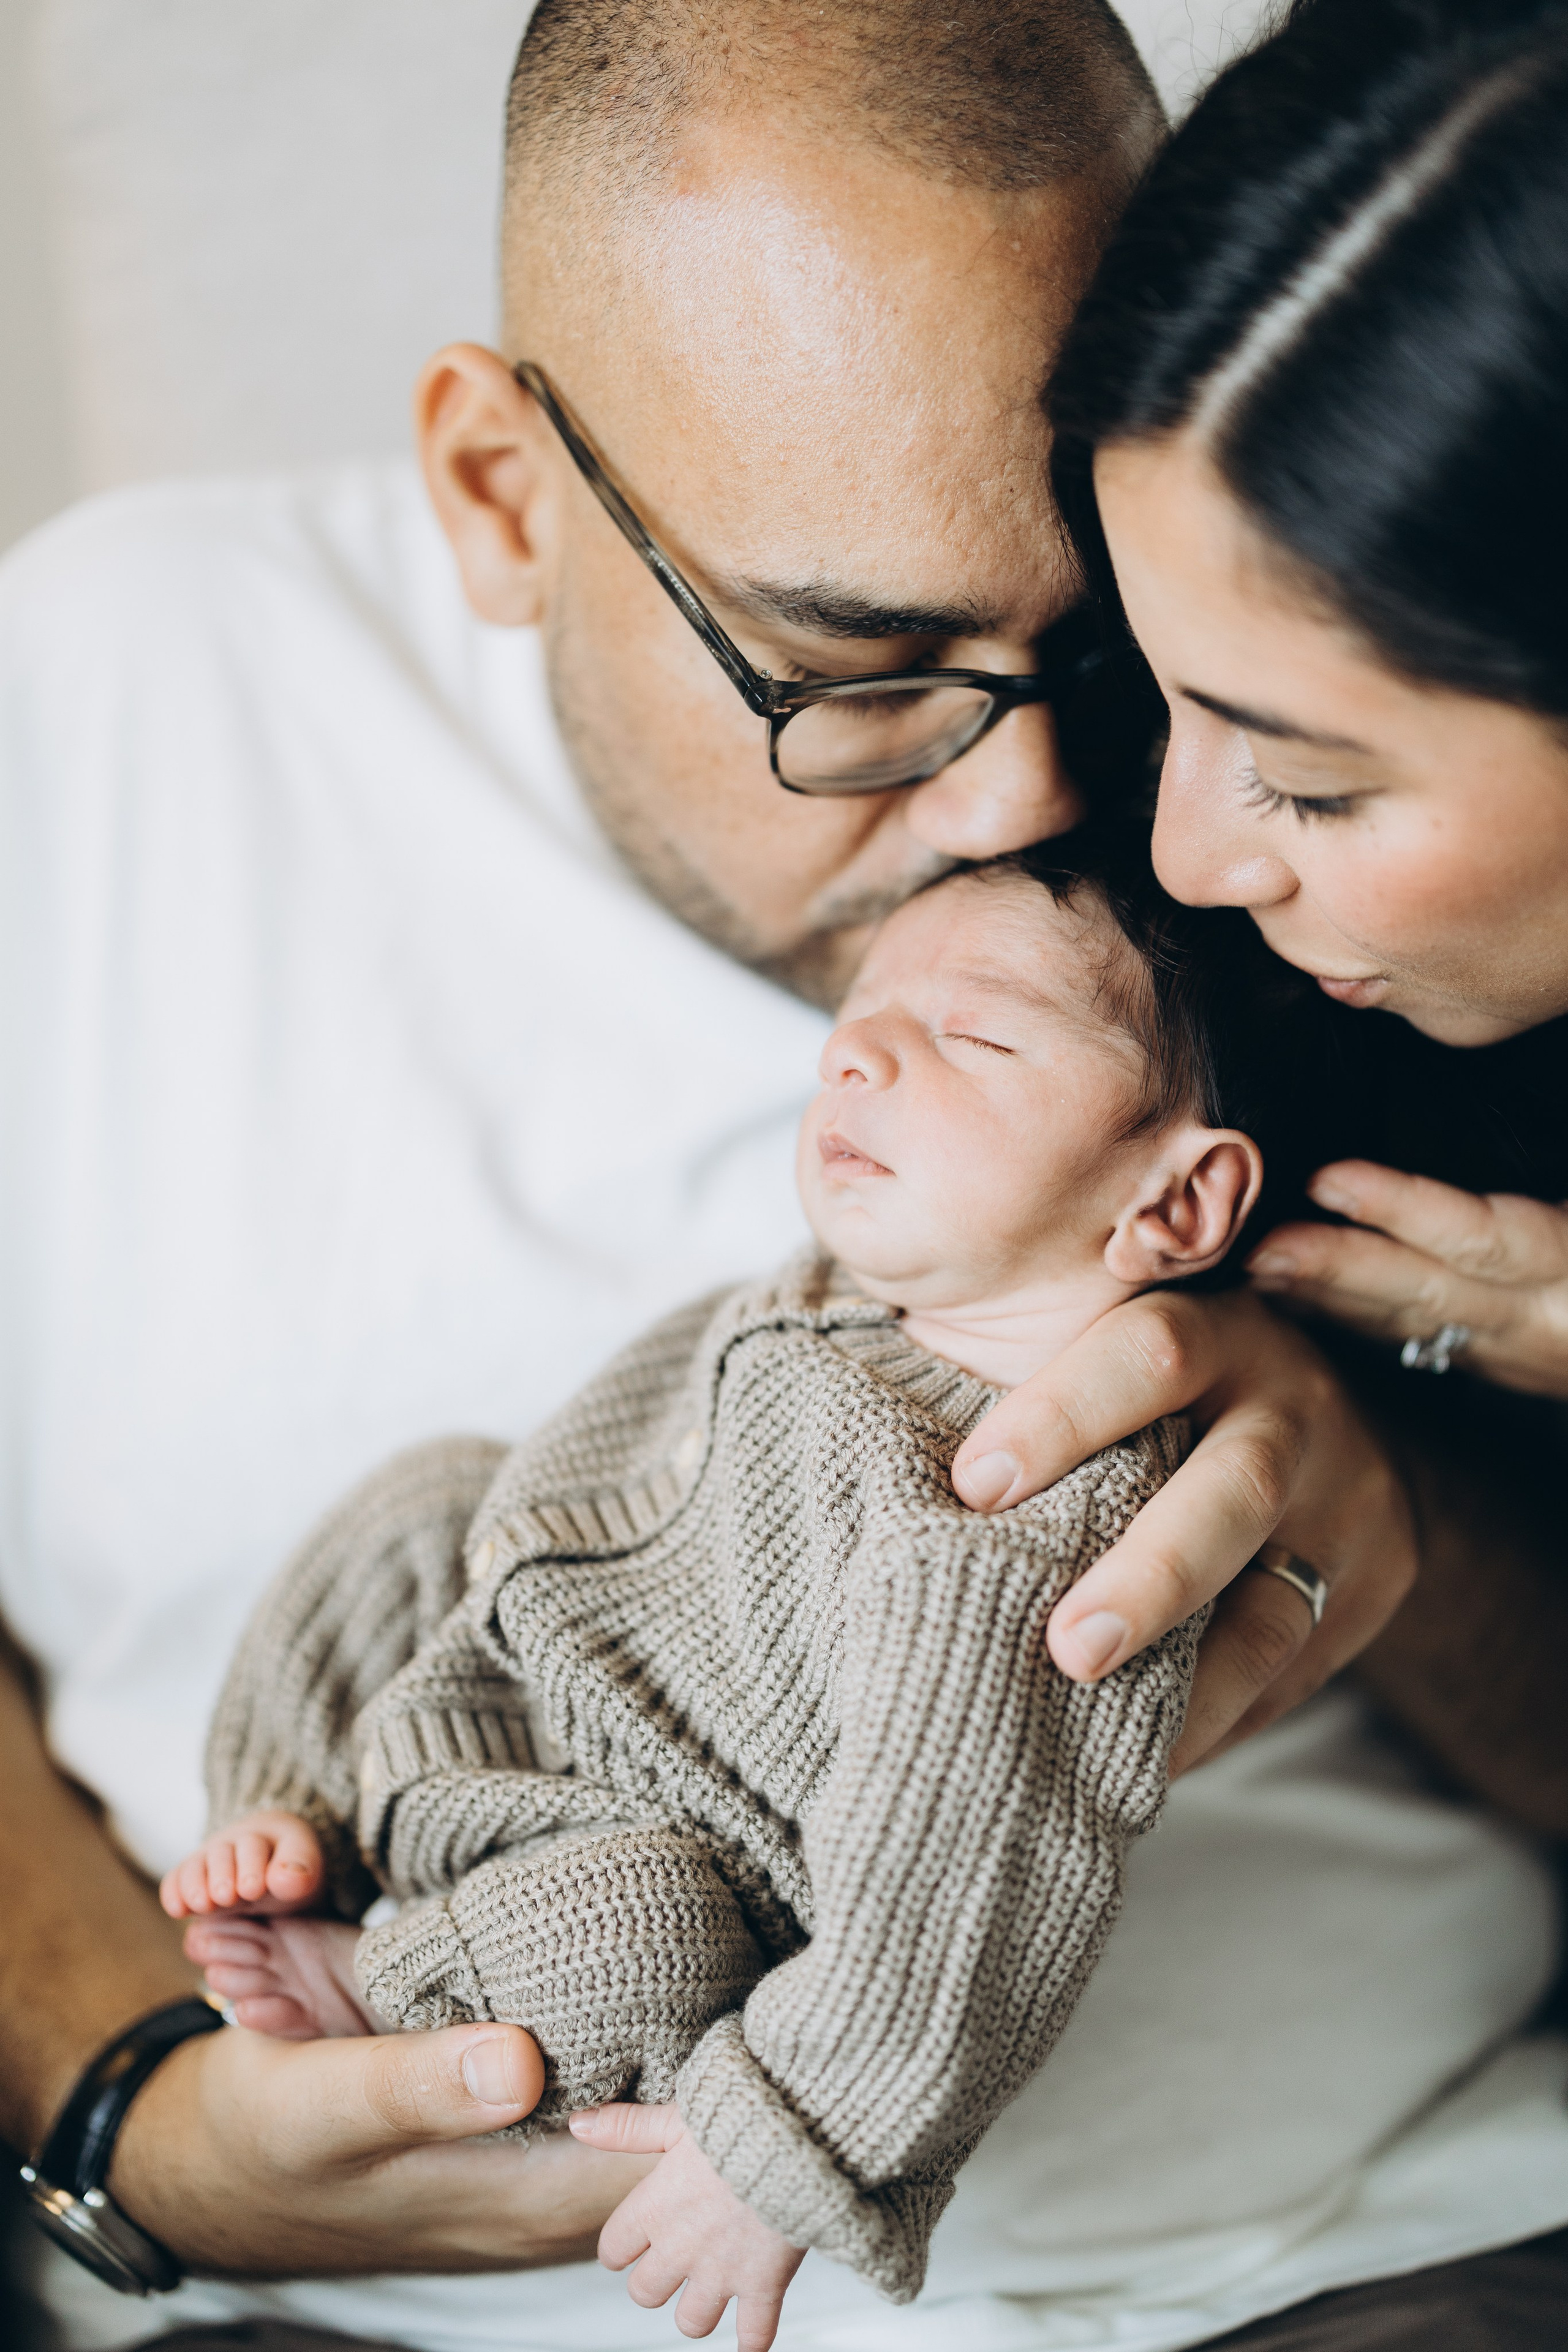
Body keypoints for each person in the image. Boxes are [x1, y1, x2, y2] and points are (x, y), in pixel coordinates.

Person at [0, 3, 1562, 2348]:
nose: (1052, 812)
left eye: (1089, 649)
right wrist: (129, 2112)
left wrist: (1389, 1524)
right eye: (861, 669)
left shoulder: (1320, 769)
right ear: (502, 494)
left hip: (1367, 2262)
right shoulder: (104, 712)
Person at [163, 844, 1267, 2351]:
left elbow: (972, 1876)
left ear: (1178, 1199)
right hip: (518, 1672)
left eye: (972, 1034)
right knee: (422, 1496)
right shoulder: (841, 1292)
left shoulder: (1024, 1515)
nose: (858, 1054)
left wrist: (792, 2141)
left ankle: (375, 1967)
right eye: (859, 1019)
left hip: (663, 1863)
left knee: (629, 1941)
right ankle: (285, 1811)